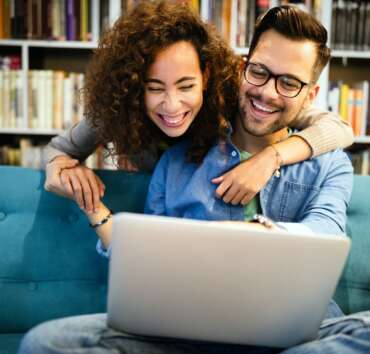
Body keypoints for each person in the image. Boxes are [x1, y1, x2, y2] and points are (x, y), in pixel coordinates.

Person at [14, 4, 370, 354]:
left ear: (310, 95)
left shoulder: (330, 163)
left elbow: (325, 231)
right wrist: (74, 183)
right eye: (260, 72)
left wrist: (260, 208)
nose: (267, 92)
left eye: (289, 82)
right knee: (48, 346)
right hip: (189, 339)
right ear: (244, 66)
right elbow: (148, 264)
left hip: (298, 340)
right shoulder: (177, 158)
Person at [42, 1, 353, 215]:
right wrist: (58, 167)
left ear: (205, 77)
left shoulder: (240, 91)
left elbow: (338, 129)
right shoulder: (118, 107)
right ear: (134, 86)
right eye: (154, 87)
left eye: (186, 86)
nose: (173, 105)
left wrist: (270, 158)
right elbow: (58, 150)